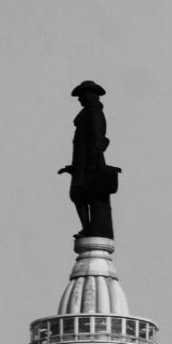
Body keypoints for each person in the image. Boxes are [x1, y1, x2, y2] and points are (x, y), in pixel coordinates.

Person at [58, 81, 120, 237]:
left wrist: (94, 158)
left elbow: (98, 137)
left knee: (80, 194)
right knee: (79, 195)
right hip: (83, 163)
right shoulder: (87, 114)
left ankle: (89, 228)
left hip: (90, 162)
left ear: (89, 96)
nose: (79, 99)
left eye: (81, 96)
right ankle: (88, 228)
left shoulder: (93, 113)